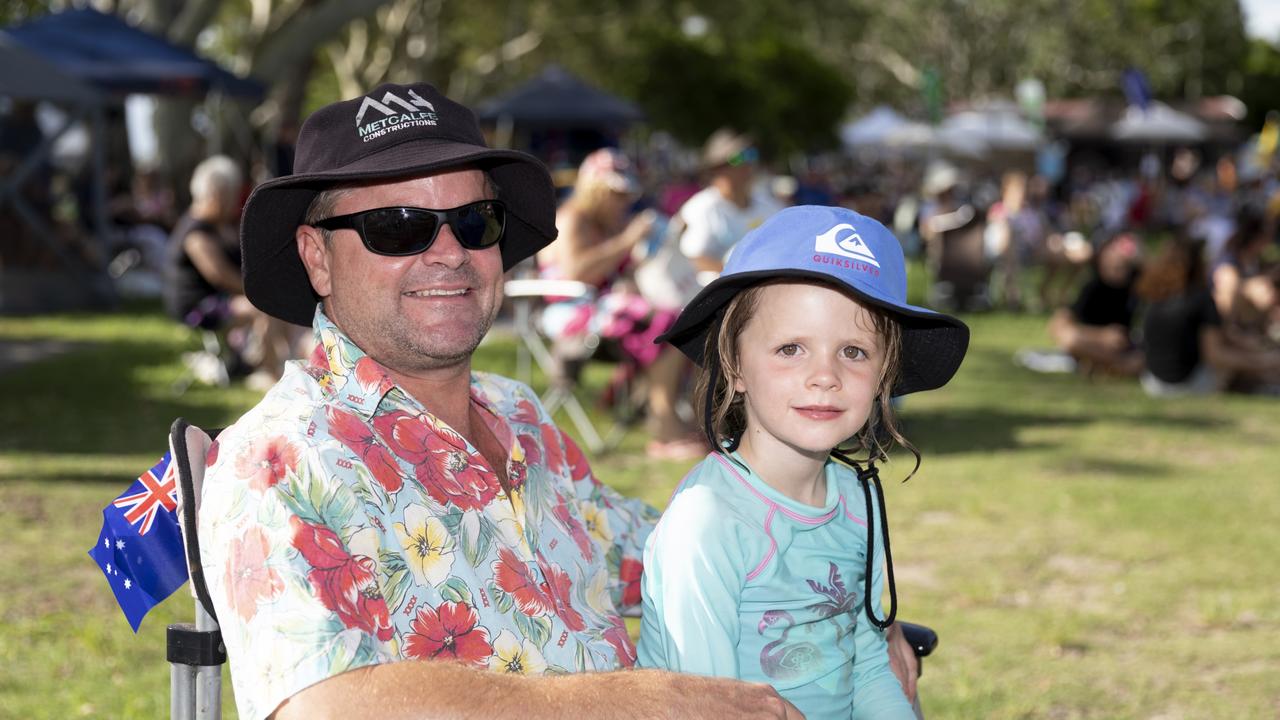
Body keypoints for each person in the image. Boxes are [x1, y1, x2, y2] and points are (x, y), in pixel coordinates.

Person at [198, 81, 813, 720]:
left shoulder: (517, 412)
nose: (449, 254)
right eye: (397, 227)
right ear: (316, 257)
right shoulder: (277, 457)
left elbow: (662, 553)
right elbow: (322, 707)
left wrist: (844, 610)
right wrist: (641, 702)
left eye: (474, 222)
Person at [638, 206, 970, 718]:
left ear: (885, 374)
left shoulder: (858, 499)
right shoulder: (709, 523)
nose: (825, 376)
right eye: (791, 348)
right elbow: (707, 706)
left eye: (855, 352)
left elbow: (868, 663)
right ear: (735, 364)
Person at [536, 148, 701, 459]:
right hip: (572, 311)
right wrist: (627, 241)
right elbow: (577, 273)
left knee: (683, 320)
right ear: (595, 191)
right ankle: (663, 425)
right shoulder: (573, 218)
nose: (624, 201)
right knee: (664, 323)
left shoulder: (606, 225)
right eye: (617, 193)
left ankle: (671, 416)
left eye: (626, 194)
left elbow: (620, 275)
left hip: (604, 309)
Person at [162, 155, 292, 385]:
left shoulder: (216, 227)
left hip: (218, 299)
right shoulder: (196, 234)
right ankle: (270, 374)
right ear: (216, 194)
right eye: (231, 194)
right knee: (265, 309)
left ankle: (277, 363)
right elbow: (220, 276)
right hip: (198, 308)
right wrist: (260, 291)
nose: (235, 201)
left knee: (278, 304)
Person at [1136, 236, 1280, 396]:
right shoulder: (1201, 299)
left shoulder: (1156, 296)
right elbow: (1216, 355)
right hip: (1186, 385)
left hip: (1152, 383)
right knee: (1236, 369)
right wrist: (1263, 363)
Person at [674, 128, 782, 274]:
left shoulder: (767, 204)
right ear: (718, 168)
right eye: (738, 158)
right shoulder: (702, 208)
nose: (748, 163)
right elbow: (693, 259)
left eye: (751, 154)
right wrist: (741, 275)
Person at [1047, 232, 1144, 376]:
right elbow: (1058, 325)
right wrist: (1101, 336)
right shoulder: (1092, 287)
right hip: (1096, 344)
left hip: (1127, 345)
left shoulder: (1137, 282)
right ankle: (1114, 366)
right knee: (1071, 339)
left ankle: (1102, 366)